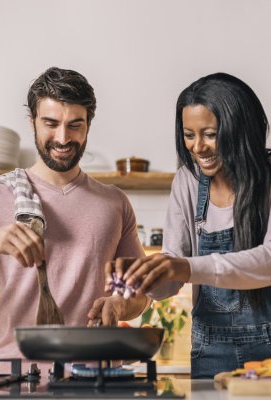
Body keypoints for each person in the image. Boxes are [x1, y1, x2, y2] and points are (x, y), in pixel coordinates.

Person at [0, 67, 150, 372]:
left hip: (96, 379)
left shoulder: (114, 202)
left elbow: (141, 292)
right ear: (32, 122)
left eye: (75, 125)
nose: (63, 138)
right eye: (51, 124)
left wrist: (120, 303)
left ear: (89, 125)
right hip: (14, 377)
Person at [105, 72, 271, 379]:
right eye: (189, 134)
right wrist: (147, 276)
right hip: (210, 350)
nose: (198, 147)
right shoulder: (188, 181)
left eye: (210, 133)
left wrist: (183, 267)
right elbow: (172, 273)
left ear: (240, 128)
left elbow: (267, 261)